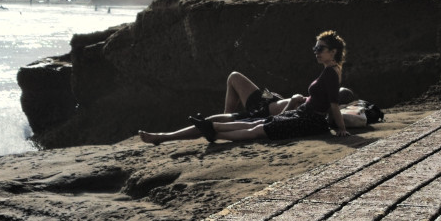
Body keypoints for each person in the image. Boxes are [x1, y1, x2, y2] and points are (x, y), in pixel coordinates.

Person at [139, 31, 351, 144]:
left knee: (219, 119)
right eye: (315, 48)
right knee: (234, 76)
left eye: (319, 48)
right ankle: (226, 117)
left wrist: (338, 124)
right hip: (269, 98)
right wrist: (298, 99)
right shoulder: (310, 96)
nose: (316, 51)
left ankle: (164, 137)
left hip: (262, 109)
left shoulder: (315, 99)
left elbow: (329, 105)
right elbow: (322, 98)